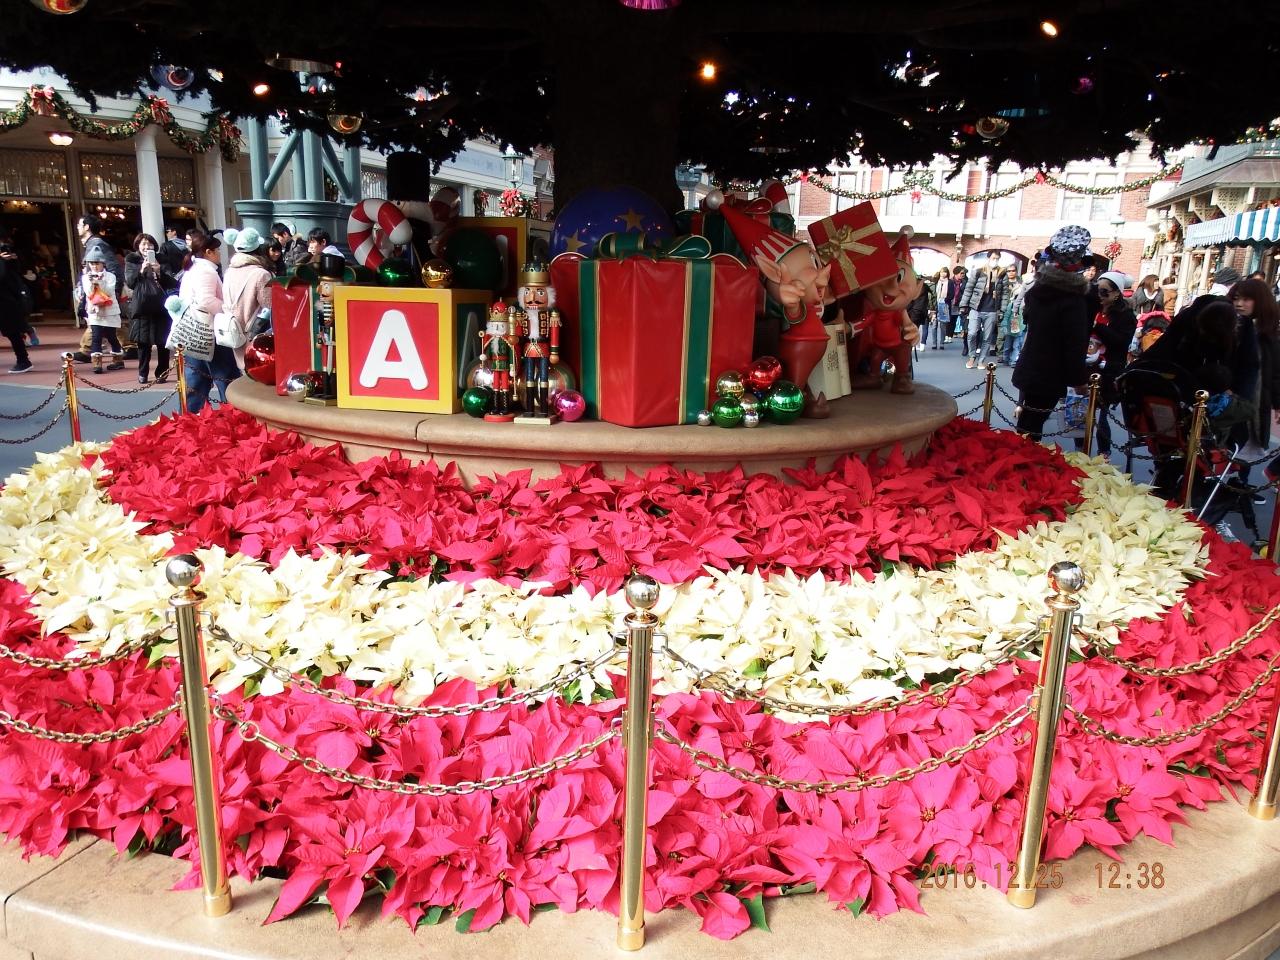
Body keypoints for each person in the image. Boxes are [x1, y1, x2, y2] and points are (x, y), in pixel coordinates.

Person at [1012, 225, 1093, 439]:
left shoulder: (1038, 291)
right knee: (1032, 425)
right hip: (1050, 373)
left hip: (1031, 366)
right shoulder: (1073, 300)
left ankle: (1020, 452)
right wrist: (1079, 380)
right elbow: (1074, 343)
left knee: (1028, 422)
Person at [178, 231, 239, 411]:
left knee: (196, 381)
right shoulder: (206, 271)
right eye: (217, 250)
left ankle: (191, 418)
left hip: (193, 332)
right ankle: (233, 416)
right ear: (208, 252)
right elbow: (206, 300)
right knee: (225, 378)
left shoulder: (192, 270)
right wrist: (226, 309)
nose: (219, 253)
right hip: (211, 332)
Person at [1086, 271, 1138, 456]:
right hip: (1087, 367)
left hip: (1109, 370)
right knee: (1080, 413)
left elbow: (1121, 342)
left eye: (1104, 292)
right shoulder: (1092, 309)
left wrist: (1097, 327)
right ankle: (1080, 449)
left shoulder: (1125, 316)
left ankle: (1104, 453)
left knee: (1102, 415)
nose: (1099, 295)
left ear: (1116, 294)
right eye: (1097, 291)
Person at [1229, 278, 1280, 461]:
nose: (1239, 304)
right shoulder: (1228, 326)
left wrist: (1277, 404)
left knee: (1244, 452)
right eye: (1236, 298)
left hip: (1254, 402)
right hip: (1226, 399)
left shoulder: (1268, 334)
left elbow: (1275, 372)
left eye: (1246, 299)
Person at [124, 233, 177, 384]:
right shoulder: (132, 259)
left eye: (150, 244)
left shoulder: (162, 259)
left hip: (161, 306)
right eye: (143, 244)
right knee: (143, 343)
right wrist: (141, 270)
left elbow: (172, 282)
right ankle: (143, 373)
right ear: (138, 246)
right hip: (142, 306)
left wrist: (159, 271)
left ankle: (162, 373)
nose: (146, 247)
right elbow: (130, 282)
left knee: (162, 343)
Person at [221, 227, 274, 370]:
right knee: (257, 373)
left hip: (234, 332)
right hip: (254, 335)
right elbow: (269, 306)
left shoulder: (229, 271)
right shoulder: (261, 274)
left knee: (243, 371)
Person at [960, 252, 1008, 369]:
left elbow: (1005, 293)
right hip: (976, 308)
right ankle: (972, 357)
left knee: (987, 337)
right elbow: (968, 289)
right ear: (988, 258)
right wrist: (963, 305)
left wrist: (1002, 310)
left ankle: (981, 360)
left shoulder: (1002, 273)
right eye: (993, 258)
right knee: (971, 334)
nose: (995, 260)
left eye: (997, 258)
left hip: (992, 310)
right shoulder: (978, 271)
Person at [81, 248, 124, 372]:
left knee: (111, 336)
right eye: (91, 263)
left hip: (110, 311)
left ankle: (118, 360)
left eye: (97, 263)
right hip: (95, 311)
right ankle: (97, 364)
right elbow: (89, 293)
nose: (94, 266)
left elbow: (108, 292)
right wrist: (92, 282)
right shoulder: (86, 277)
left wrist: (100, 281)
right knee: (96, 337)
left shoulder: (110, 276)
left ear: (103, 264)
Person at [0, 240, 32, 373]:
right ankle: (23, 360)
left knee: (12, 332)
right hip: (8, 299)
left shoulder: (8, 259)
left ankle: (23, 361)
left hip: (6, 300)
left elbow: (3, 275)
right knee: (12, 332)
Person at [931, 267, 950, 349]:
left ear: (947, 273)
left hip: (944, 305)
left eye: (945, 272)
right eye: (942, 272)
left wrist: (945, 299)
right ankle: (934, 343)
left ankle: (942, 343)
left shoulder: (949, 282)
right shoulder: (936, 282)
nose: (943, 274)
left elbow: (952, 294)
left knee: (943, 326)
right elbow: (932, 295)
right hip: (935, 305)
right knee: (934, 325)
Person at [948, 265, 967, 344]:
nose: (963, 275)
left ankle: (951, 335)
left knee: (955, 320)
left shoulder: (964, 282)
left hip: (960, 304)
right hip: (951, 302)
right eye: (961, 273)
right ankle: (947, 335)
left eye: (964, 273)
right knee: (949, 319)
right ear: (956, 273)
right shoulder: (950, 281)